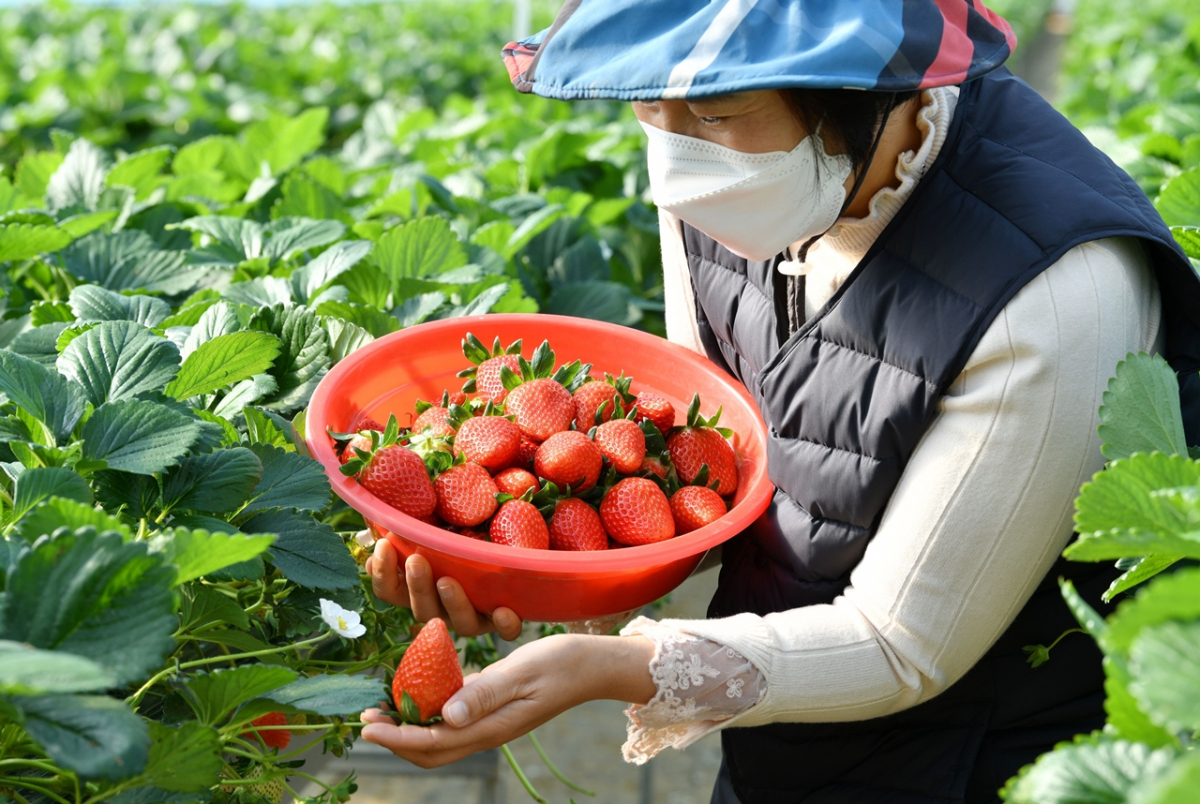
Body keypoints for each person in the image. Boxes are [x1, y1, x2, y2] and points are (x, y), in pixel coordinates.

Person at [360, 2, 1200, 801]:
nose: (675, 152)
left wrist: (612, 667)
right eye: (649, 101)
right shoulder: (730, 180)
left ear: (862, 86)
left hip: (974, 762)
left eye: (717, 111)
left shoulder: (1057, 292)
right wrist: (526, 567)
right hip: (779, 728)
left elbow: (902, 645)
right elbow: (715, 465)